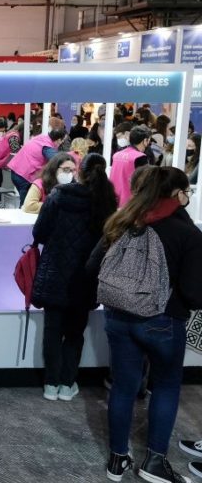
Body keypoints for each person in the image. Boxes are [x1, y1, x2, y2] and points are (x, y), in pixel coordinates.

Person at [87, 166, 202, 483]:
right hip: (163, 322)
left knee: (123, 387)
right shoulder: (188, 234)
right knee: (165, 387)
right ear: (177, 194)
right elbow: (194, 294)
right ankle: (154, 463)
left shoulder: (123, 222)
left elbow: (92, 266)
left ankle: (117, 460)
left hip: (118, 318)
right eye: (186, 191)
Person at [32, 154, 117, 402]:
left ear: (80, 171)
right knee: (75, 332)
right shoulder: (106, 203)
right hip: (86, 276)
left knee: (52, 329)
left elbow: (39, 232)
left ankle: (50, 384)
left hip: (55, 271)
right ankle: (68, 384)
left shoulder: (59, 196)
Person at [8, 125, 67, 207]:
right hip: (23, 175)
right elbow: (56, 160)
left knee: (25, 202)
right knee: (26, 204)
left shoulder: (42, 138)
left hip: (16, 171)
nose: (62, 142)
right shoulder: (47, 146)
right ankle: (23, 218)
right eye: (63, 140)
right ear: (59, 140)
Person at [109, 124, 151, 208]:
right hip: (129, 204)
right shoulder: (140, 157)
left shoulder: (117, 155)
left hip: (113, 199)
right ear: (145, 140)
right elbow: (145, 181)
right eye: (149, 140)